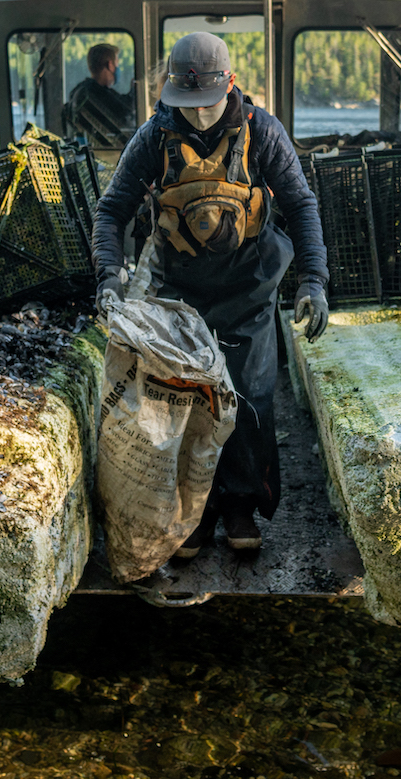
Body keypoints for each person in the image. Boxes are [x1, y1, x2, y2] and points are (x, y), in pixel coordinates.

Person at [92, 32, 329, 557]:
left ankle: (240, 506)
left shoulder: (262, 132)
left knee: (250, 396)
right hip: (180, 292)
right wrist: (108, 276)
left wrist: (314, 281)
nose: (198, 117)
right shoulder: (154, 137)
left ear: (232, 86)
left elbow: (301, 205)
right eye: (187, 106)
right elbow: (111, 212)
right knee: (184, 397)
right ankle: (194, 513)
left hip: (250, 284)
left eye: (208, 106)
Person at [66, 42, 136, 148]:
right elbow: (126, 113)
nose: (118, 68)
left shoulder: (82, 90)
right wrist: (134, 92)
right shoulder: (93, 94)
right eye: (117, 63)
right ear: (110, 65)